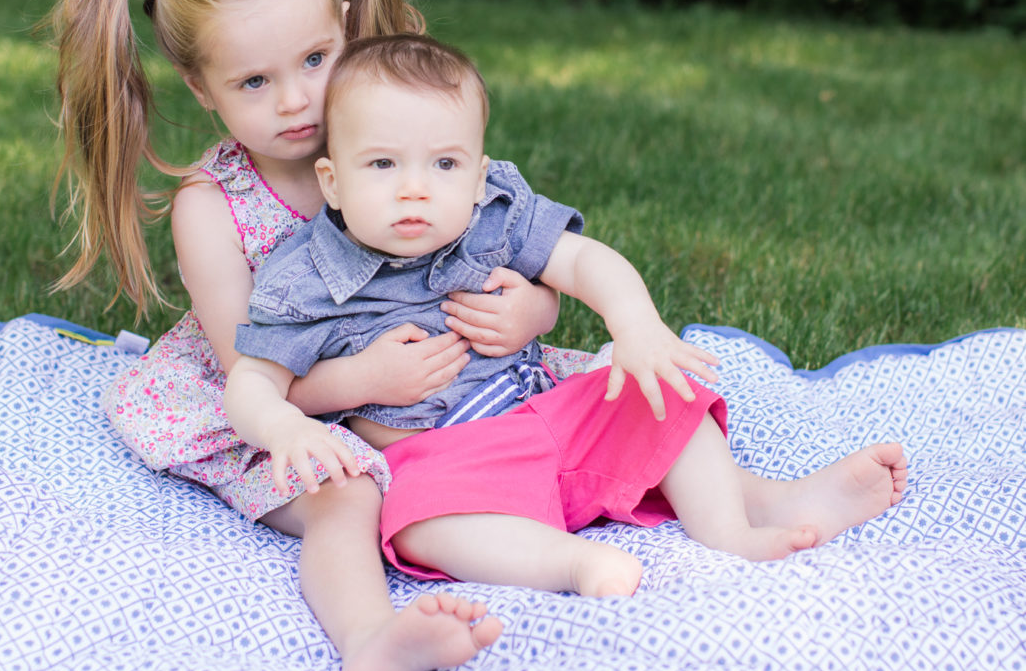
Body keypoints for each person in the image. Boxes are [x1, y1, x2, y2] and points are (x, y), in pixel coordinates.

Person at [49, 0, 567, 671]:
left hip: (435, 379)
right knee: (344, 489)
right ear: (200, 86)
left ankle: (745, 508)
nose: (296, 102)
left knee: (592, 405)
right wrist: (365, 384)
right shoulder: (213, 209)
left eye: (317, 60)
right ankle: (368, 641)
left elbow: (511, 249)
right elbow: (249, 374)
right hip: (284, 408)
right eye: (254, 82)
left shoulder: (398, 138)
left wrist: (534, 308)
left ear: (348, 27)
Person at [225, 35, 908, 595]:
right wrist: (282, 424)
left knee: (651, 385)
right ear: (333, 182)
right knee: (412, 517)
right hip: (443, 454)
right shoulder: (304, 276)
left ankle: (734, 527)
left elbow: (585, 263)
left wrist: (634, 324)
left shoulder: (493, 214)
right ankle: (569, 566)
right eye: (381, 164)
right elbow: (252, 381)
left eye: (443, 164)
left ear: (478, 172)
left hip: (550, 414)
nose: (415, 189)